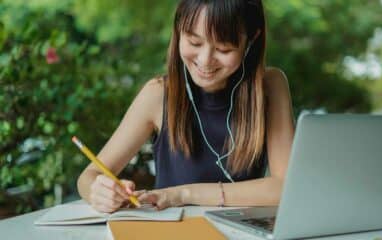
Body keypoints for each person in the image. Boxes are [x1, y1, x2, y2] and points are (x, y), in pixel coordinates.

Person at [77, 0, 294, 213]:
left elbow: (285, 187)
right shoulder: (158, 94)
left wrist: (183, 195)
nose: (205, 60)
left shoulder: (270, 87)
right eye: (194, 42)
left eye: (223, 48)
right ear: (179, 30)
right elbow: (88, 177)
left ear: (252, 39)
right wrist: (100, 192)